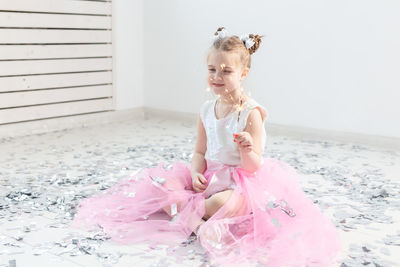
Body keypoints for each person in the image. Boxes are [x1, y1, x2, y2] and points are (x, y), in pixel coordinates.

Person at [72, 27, 341, 266]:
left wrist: (247, 148)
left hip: (240, 184)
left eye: (226, 71)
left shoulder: (251, 113)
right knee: (163, 187)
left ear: (243, 74)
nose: (217, 76)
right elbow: (200, 151)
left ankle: (193, 219)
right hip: (210, 177)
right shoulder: (206, 109)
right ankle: (200, 228)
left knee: (219, 204)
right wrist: (196, 171)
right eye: (212, 70)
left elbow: (253, 166)